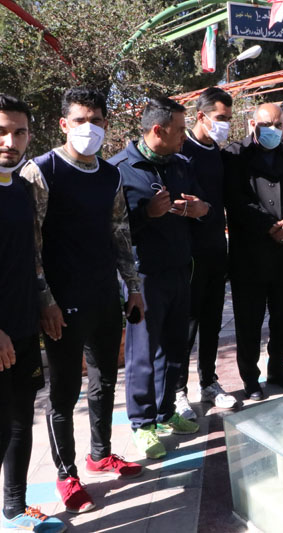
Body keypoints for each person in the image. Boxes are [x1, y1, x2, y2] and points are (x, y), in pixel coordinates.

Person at [21, 88, 145, 514]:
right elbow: (30, 244)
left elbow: (120, 232)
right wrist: (45, 300)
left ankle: (101, 454)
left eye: (96, 120)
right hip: (61, 304)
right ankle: (66, 473)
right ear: (63, 124)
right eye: (79, 120)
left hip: (104, 296)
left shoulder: (110, 175)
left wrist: (133, 287)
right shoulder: (42, 171)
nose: (88, 128)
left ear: (106, 124)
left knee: (104, 381)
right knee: (64, 393)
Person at [110, 97, 207, 459]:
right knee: (142, 352)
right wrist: (146, 214)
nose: (185, 135)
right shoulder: (120, 170)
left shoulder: (181, 164)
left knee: (175, 346)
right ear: (158, 130)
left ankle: (166, 412)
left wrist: (199, 209)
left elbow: (204, 205)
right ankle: (142, 423)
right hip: (143, 277)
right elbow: (111, 230)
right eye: (180, 129)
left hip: (180, 269)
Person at [0, 94, 66, 532]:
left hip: (23, 326)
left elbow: (30, 257)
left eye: (19, 132)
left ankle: (15, 509)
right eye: (2, 131)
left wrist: (44, 302)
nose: (11, 141)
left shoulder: (22, 188)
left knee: (20, 421)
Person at [224, 102, 283, 399]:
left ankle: (278, 369)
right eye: (266, 125)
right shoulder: (235, 155)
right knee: (249, 322)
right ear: (253, 125)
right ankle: (250, 378)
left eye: (278, 125)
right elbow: (235, 200)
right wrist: (269, 225)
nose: (273, 130)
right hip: (250, 255)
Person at [174, 87, 236, 421]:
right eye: (220, 118)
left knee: (212, 321)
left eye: (228, 118)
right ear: (201, 116)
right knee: (188, 323)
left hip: (215, 248)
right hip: (189, 253)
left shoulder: (218, 153)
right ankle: (177, 391)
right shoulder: (182, 150)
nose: (225, 124)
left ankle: (209, 382)